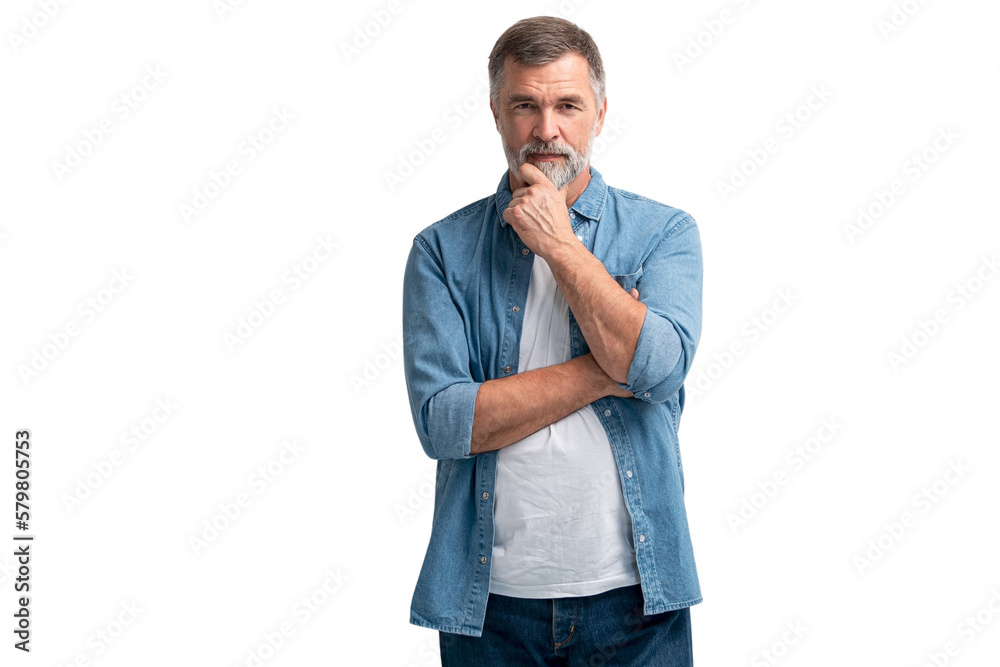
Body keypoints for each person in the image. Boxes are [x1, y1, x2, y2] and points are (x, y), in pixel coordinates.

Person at [402, 16, 703, 666]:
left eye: (567, 105)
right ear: (495, 113)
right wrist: (601, 370)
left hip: (635, 602)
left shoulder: (663, 233)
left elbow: (659, 365)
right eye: (525, 106)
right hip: (489, 610)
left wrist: (560, 244)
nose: (546, 129)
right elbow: (445, 423)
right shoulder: (442, 251)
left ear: (599, 111)